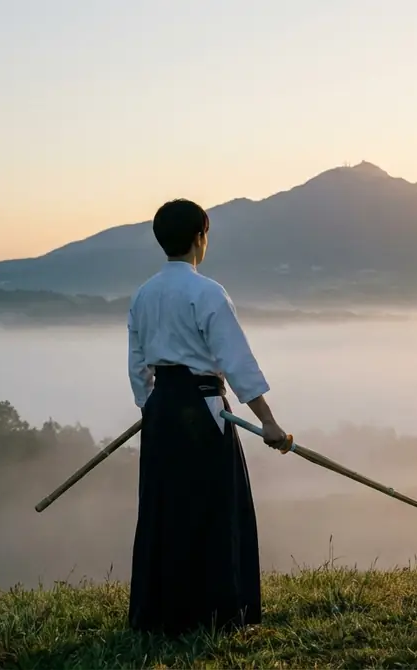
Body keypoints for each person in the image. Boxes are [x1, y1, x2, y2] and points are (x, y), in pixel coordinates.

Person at [125, 198, 292, 636]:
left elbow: (137, 362)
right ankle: (218, 616)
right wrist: (268, 421)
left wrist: (150, 407)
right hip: (204, 408)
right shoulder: (208, 293)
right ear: (201, 237)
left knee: (164, 509)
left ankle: (160, 618)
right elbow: (236, 362)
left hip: (162, 408)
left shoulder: (144, 294)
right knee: (214, 509)